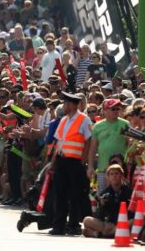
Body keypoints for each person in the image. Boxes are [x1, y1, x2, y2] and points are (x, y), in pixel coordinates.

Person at [49, 92, 93, 236]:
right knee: (59, 194)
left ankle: (73, 225)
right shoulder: (63, 120)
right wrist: (53, 163)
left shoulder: (84, 119)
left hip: (75, 162)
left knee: (74, 195)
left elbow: (89, 141)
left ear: (74, 105)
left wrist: (84, 160)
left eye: (67, 103)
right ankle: (58, 226)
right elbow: (58, 143)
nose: (64, 106)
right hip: (62, 161)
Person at [88, 98, 129, 193]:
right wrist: (90, 167)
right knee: (103, 197)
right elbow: (92, 149)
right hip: (103, 169)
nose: (116, 111)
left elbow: (130, 145)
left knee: (121, 197)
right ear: (105, 111)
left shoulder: (125, 124)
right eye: (113, 109)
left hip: (120, 169)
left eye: (117, 108)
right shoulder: (97, 126)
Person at [82, 164, 133, 238]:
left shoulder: (129, 191)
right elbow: (100, 217)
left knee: (133, 221)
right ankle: (111, 233)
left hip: (124, 223)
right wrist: (102, 205)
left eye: (116, 173)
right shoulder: (105, 193)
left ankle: (101, 234)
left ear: (121, 175)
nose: (114, 176)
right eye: (111, 174)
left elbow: (132, 212)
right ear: (108, 177)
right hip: (109, 225)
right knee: (87, 220)